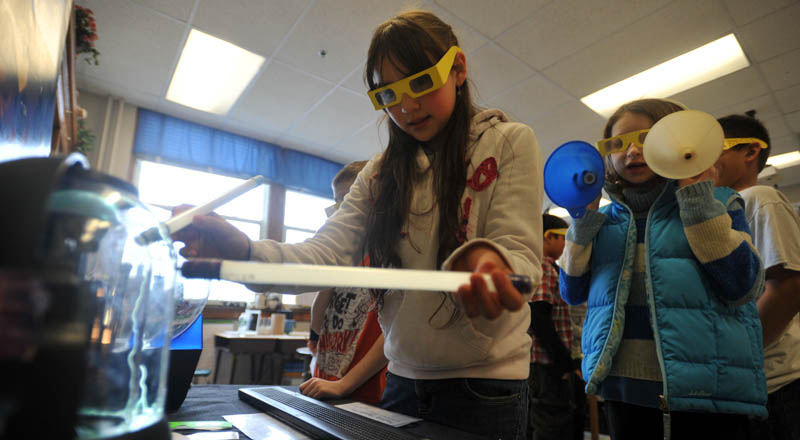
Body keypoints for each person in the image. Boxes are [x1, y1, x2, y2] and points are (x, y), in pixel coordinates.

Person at [172, 9, 542, 439]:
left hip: (485, 385)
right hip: (402, 381)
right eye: (388, 95)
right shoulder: (380, 174)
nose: (406, 107)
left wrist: (493, 263)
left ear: (457, 69)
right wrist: (246, 252)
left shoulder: (510, 141)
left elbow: (522, 257)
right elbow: (323, 255)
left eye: (421, 83)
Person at [558, 98, 766, 440]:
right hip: (623, 390)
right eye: (619, 144)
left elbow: (742, 286)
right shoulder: (602, 222)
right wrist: (581, 223)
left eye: (647, 138)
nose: (632, 152)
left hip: (705, 393)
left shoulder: (722, 201)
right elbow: (571, 291)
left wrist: (698, 201)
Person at [713, 114, 800, 440]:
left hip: (774, 382)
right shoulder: (723, 209)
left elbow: (788, 288)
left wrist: (738, 358)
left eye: (715, 149)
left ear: (750, 152)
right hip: (750, 384)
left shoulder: (758, 198)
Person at [299, 160, 388, 405]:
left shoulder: (387, 256)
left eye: (349, 200)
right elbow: (318, 323)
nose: (342, 209)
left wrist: (343, 385)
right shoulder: (349, 257)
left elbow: (393, 335)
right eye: (338, 201)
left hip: (363, 389)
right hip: (327, 379)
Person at [527, 214, 576, 440]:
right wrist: (563, 360)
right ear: (548, 237)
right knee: (551, 424)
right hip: (546, 364)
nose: (566, 243)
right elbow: (539, 316)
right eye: (563, 237)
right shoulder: (544, 268)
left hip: (545, 363)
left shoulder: (547, 267)